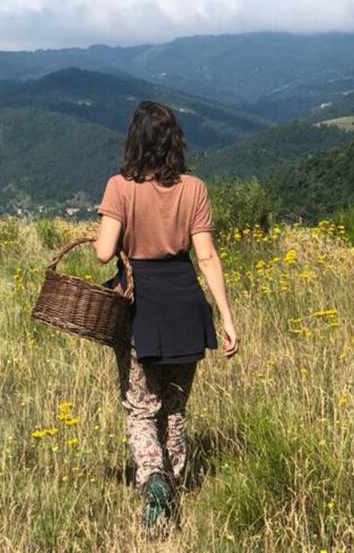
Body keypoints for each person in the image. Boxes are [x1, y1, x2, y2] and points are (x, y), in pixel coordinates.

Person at [92, 101, 239, 534]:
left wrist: (116, 229)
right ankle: (172, 489)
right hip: (186, 303)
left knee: (141, 407)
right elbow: (207, 257)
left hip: (142, 305)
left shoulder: (119, 187)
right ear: (175, 141)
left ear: (134, 141)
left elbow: (103, 251)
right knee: (175, 407)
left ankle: (153, 478)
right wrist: (227, 318)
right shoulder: (195, 189)